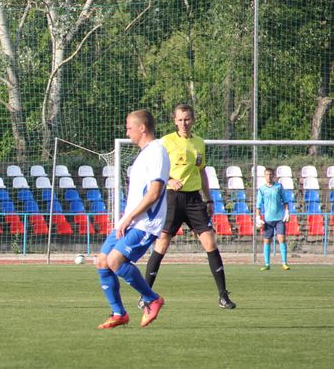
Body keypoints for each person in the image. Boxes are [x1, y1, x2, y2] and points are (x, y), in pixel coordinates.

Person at [143, 104, 236, 309]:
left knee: (210, 243)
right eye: (180, 120)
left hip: (194, 200)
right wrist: (168, 180)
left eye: (187, 119)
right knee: (162, 245)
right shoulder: (165, 142)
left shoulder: (199, 143)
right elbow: (153, 169)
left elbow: (201, 172)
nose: (183, 123)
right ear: (174, 121)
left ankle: (223, 295)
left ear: (192, 120)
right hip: (172, 199)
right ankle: (146, 295)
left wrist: (209, 199)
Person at [95, 110, 170, 329]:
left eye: (129, 127)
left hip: (146, 222)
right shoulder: (145, 153)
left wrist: (129, 217)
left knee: (116, 261)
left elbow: (154, 192)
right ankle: (119, 313)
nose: (126, 131)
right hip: (131, 220)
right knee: (102, 261)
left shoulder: (157, 151)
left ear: (142, 128)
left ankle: (152, 299)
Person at [257, 167, 291, 270]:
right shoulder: (261, 189)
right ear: (264, 176)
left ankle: (284, 263)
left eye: (271, 174)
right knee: (267, 241)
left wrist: (287, 212)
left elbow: (285, 201)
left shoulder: (279, 187)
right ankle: (267, 264)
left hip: (279, 218)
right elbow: (258, 205)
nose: (269, 176)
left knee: (282, 239)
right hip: (268, 219)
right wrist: (258, 217)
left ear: (273, 175)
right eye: (267, 174)